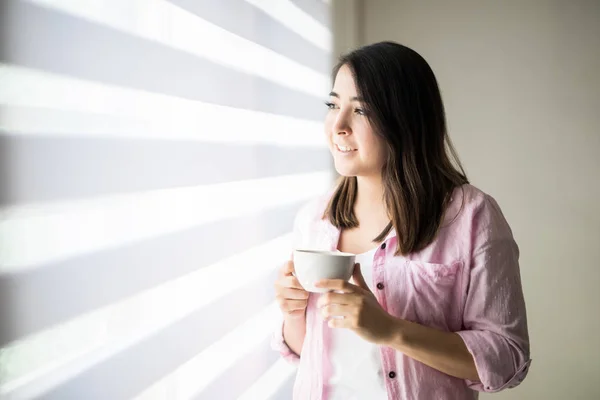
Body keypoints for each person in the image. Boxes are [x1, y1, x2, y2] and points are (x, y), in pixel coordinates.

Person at [272, 41, 530, 400]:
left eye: (361, 111)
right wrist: (294, 312)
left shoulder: (471, 216)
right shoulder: (314, 219)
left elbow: (506, 359)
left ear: (404, 119)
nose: (339, 126)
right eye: (334, 105)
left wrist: (391, 330)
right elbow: (308, 354)